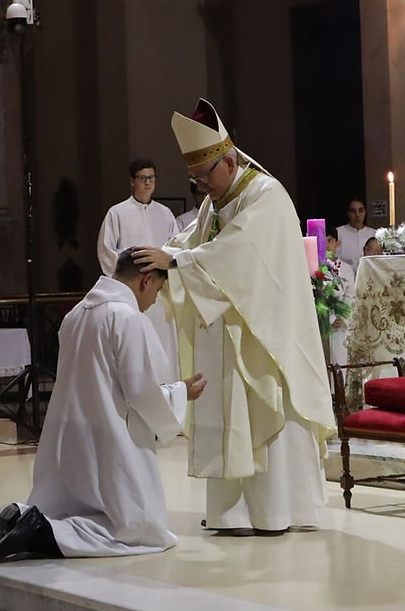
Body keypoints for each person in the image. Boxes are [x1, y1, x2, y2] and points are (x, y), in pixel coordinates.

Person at [133, 98, 336, 535]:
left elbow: (240, 254)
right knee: (228, 417)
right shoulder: (216, 200)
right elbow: (191, 241)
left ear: (227, 161)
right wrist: (167, 255)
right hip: (226, 334)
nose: (200, 186)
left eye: (204, 176)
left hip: (263, 339)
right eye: (194, 179)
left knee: (259, 414)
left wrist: (177, 265)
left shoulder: (266, 194)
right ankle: (233, 513)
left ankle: (275, 510)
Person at [0, 247, 207, 563]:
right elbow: (139, 392)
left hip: (70, 439)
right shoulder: (126, 318)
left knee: (77, 507)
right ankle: (41, 530)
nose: (155, 300)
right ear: (146, 280)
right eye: (159, 290)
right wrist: (181, 393)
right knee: (137, 529)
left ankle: (28, 517)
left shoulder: (77, 313)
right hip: (109, 440)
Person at [97, 158, 180, 381]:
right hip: (131, 295)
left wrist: (163, 273)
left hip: (160, 294)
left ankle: (167, 395)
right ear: (132, 181)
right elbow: (107, 253)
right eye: (142, 178)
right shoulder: (117, 213)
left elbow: (176, 249)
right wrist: (128, 281)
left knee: (164, 350)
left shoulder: (165, 214)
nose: (148, 183)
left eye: (151, 178)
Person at [325, 230, 355, 366]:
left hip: (339, 320)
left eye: (330, 241)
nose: (326, 245)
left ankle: (338, 387)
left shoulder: (346, 268)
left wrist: (339, 316)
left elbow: (349, 295)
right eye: (322, 241)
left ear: (338, 243)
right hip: (322, 317)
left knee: (338, 361)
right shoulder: (313, 267)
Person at [335, 197, 376, 271]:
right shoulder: (338, 233)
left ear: (365, 212)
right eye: (353, 211)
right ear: (347, 213)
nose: (357, 215)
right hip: (344, 276)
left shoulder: (374, 233)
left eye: (361, 211)